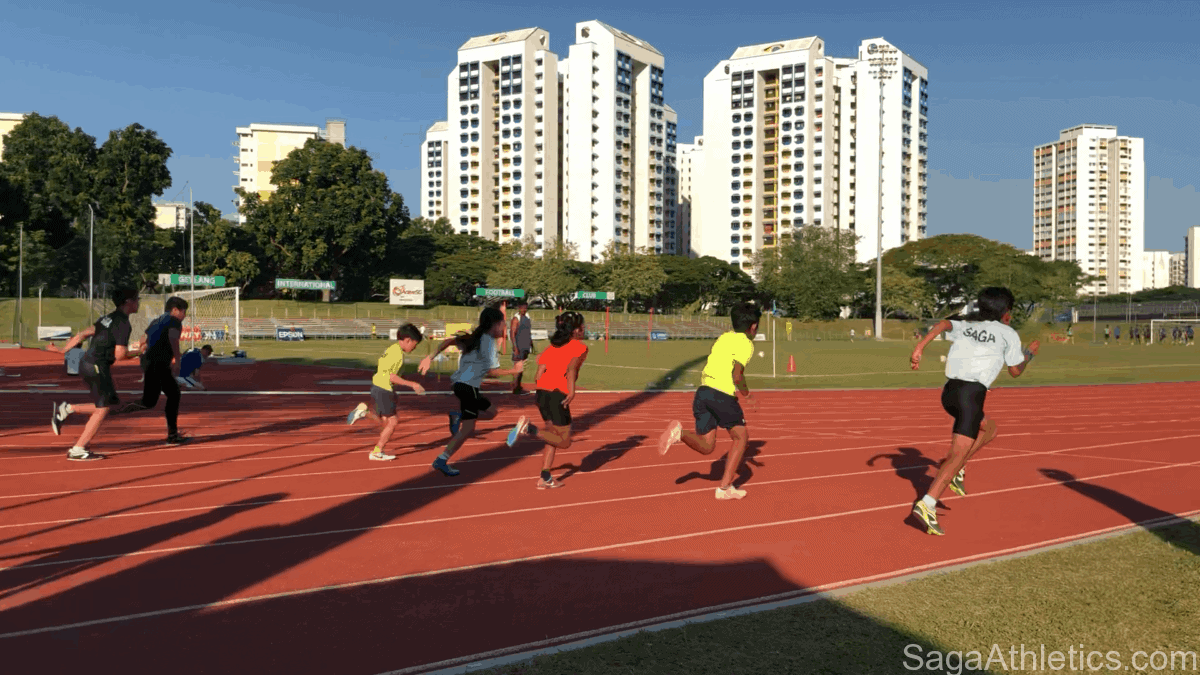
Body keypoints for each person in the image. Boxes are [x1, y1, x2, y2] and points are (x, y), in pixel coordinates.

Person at [909, 287, 1039, 536]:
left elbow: (945, 323)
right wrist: (1029, 354)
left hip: (949, 393)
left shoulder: (967, 325)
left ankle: (956, 470)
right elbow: (1015, 371)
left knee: (989, 428)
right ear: (1007, 312)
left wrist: (920, 347)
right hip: (971, 396)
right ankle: (928, 503)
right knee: (955, 456)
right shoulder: (1007, 333)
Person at [657, 302, 761, 500]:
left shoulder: (724, 337)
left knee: (707, 446)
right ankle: (724, 488)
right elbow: (737, 375)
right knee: (741, 438)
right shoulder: (746, 344)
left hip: (703, 392)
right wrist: (748, 395)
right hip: (722, 394)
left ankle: (680, 433)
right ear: (754, 326)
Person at [419, 306, 525, 476]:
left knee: (491, 412)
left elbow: (448, 341)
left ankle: (458, 416)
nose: (504, 328)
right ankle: (442, 460)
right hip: (467, 386)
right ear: (494, 325)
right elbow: (491, 372)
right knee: (468, 429)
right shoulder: (488, 344)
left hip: (463, 385)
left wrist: (429, 357)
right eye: (502, 324)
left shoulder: (475, 337)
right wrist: (514, 371)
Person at [47, 289, 144, 461]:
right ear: (128, 302)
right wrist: (138, 352)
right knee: (103, 408)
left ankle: (68, 409)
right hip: (96, 366)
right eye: (137, 299)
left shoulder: (108, 317)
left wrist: (62, 350)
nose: (139, 302)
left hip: (89, 363)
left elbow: (83, 333)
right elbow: (120, 354)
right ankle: (78, 449)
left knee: (110, 405)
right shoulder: (123, 323)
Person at [506, 312, 588, 489]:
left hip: (542, 393)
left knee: (552, 437)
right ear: (575, 330)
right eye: (582, 326)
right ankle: (528, 429)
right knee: (564, 441)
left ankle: (545, 476)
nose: (584, 328)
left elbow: (538, 374)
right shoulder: (580, 348)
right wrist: (571, 392)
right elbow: (571, 369)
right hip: (557, 393)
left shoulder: (550, 348)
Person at [346, 324, 426, 461]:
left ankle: (363, 413)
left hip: (378, 386)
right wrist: (412, 384)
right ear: (407, 340)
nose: (414, 348)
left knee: (384, 422)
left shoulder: (392, 349)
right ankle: (377, 451)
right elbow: (391, 376)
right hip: (384, 388)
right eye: (415, 344)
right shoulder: (397, 355)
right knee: (393, 422)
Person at [124, 296, 189, 444]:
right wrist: (177, 360)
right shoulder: (174, 321)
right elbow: (173, 339)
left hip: (151, 361)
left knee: (165, 396)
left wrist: (144, 350)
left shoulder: (157, 320)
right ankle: (115, 410)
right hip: (158, 363)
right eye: (183, 312)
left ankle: (173, 434)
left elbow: (143, 338)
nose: (184, 316)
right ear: (175, 310)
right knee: (157, 399)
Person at [508, 299, 535, 395]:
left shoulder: (527, 317)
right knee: (517, 367)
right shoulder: (516, 319)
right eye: (522, 307)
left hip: (525, 346)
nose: (524, 309)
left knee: (522, 368)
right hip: (519, 346)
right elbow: (512, 333)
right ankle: (515, 388)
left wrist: (531, 344)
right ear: (519, 308)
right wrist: (515, 347)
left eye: (526, 307)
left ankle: (518, 386)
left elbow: (528, 332)